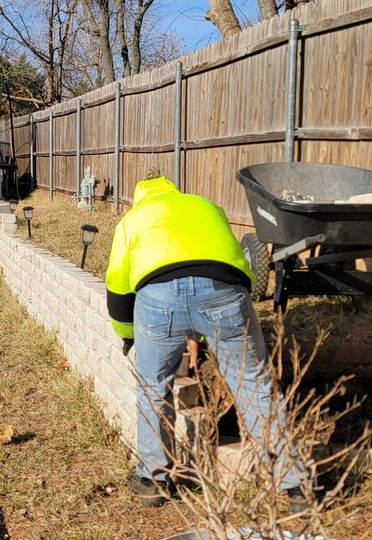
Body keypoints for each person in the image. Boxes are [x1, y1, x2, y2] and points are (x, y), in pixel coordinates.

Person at [104, 172, 306, 507]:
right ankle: (295, 483)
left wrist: (127, 336)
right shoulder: (205, 206)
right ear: (175, 193)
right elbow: (239, 265)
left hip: (159, 298)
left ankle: (153, 480)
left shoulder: (133, 218)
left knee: (153, 387)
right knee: (254, 383)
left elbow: (118, 287)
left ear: (142, 198)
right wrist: (209, 323)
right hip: (226, 293)